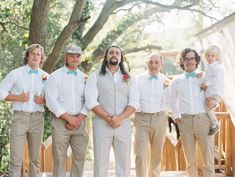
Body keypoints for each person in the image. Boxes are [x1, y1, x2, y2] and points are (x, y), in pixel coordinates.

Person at [85, 46, 139, 177]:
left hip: (123, 125)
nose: (114, 55)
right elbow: (91, 101)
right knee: (100, 161)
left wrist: (119, 119)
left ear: (121, 58)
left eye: (117, 53)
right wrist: (109, 118)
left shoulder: (129, 78)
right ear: (106, 56)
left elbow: (134, 102)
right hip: (101, 124)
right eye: (111, 52)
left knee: (124, 162)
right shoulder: (95, 76)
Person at [0, 44, 48, 177]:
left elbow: (55, 99)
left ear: (41, 58)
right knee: (15, 160)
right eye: (33, 53)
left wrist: (43, 101)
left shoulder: (46, 76)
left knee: (35, 160)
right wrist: (18, 97)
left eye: (38, 54)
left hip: (38, 119)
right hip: (20, 118)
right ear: (27, 56)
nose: (35, 56)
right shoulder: (16, 73)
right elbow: (1, 91)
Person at [45, 44, 88, 177]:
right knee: (59, 158)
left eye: (77, 56)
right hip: (60, 122)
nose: (75, 58)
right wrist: (69, 118)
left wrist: (78, 119)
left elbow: (90, 100)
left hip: (80, 123)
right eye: (72, 55)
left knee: (79, 158)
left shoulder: (85, 78)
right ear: (66, 56)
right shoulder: (55, 76)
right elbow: (51, 101)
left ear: (80, 59)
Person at [170, 48, 215, 177]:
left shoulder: (204, 77)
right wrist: (176, 117)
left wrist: (215, 103)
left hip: (203, 120)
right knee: (190, 160)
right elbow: (172, 101)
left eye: (192, 58)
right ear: (182, 62)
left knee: (208, 158)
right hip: (185, 122)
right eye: (186, 59)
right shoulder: (176, 81)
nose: (189, 61)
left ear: (196, 61)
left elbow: (216, 91)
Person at [134, 54, 169, 177]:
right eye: (151, 62)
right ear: (146, 63)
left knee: (157, 153)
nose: (153, 65)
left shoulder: (166, 80)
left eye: (156, 62)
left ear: (161, 65)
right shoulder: (137, 79)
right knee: (140, 154)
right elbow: (133, 99)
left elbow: (169, 100)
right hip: (141, 118)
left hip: (160, 118)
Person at [200, 45, 224, 135]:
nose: (210, 58)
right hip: (211, 92)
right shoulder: (209, 67)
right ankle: (212, 123)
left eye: (212, 56)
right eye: (208, 55)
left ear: (217, 57)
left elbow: (216, 79)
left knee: (207, 107)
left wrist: (206, 84)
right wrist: (202, 75)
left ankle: (215, 124)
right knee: (206, 106)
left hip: (216, 92)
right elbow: (207, 77)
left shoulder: (218, 68)